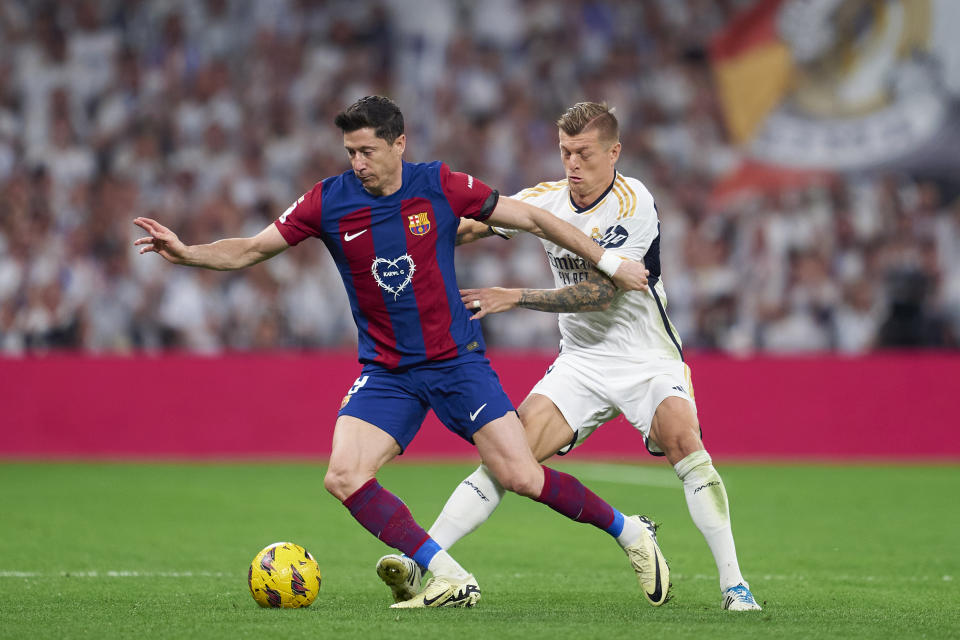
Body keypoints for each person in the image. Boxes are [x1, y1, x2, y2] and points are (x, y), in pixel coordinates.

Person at [133, 95, 670, 609]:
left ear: (398, 145)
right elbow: (251, 248)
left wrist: (607, 261)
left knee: (521, 476)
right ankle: (448, 575)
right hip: (387, 370)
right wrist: (187, 254)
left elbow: (532, 218)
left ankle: (629, 532)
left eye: (367, 151)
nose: (358, 163)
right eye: (350, 152)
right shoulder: (328, 200)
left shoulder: (437, 184)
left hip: (456, 361)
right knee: (343, 476)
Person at [376, 102, 761, 611]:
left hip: (646, 357)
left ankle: (734, 586)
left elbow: (605, 292)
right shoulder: (546, 198)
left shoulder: (633, 203)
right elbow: (468, 227)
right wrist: (413, 233)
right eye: (565, 152)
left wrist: (516, 296)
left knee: (683, 439)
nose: (572, 164)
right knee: (506, 457)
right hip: (581, 361)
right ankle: (424, 560)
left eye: (583, 154)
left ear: (613, 152)